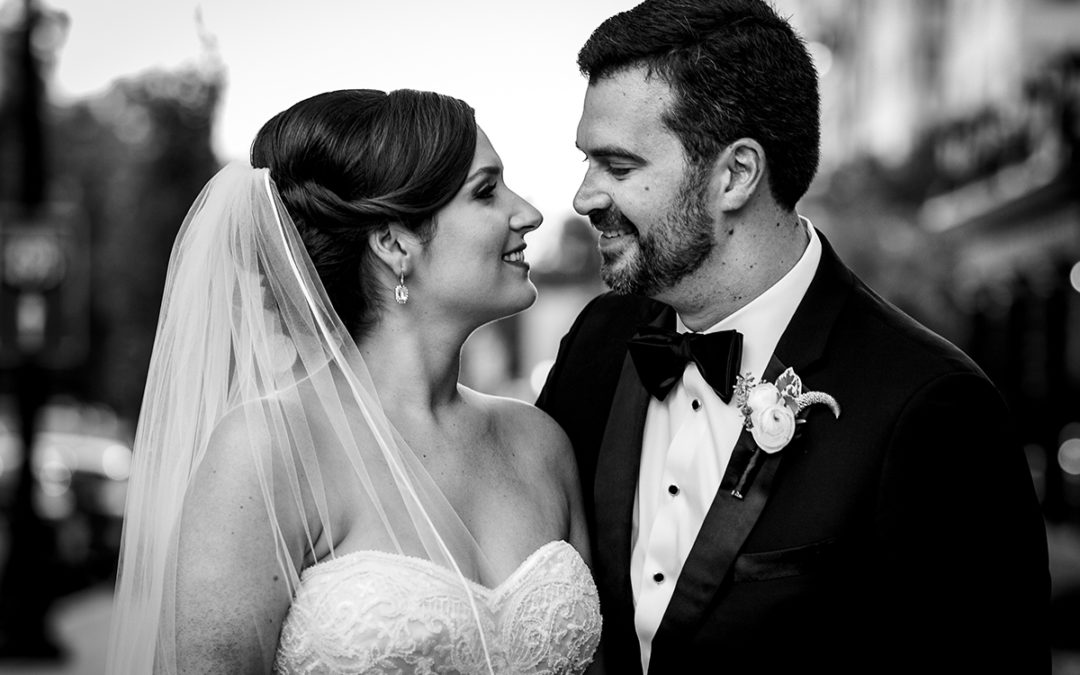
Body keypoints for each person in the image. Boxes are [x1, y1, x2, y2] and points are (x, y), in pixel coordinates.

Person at [536, 1, 1050, 673]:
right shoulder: (598, 345)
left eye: (618, 166)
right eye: (588, 163)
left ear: (736, 174)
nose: (585, 196)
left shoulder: (930, 406)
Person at [106, 88, 601, 674]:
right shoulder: (270, 449)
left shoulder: (539, 444)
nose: (529, 213)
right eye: (486, 191)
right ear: (394, 243)